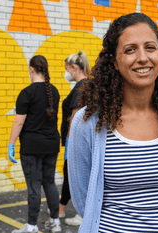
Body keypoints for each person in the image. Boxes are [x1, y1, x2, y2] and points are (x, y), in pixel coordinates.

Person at [67, 13, 158, 233]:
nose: (142, 57)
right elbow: (84, 200)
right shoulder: (89, 122)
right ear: (114, 60)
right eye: (130, 49)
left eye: (150, 47)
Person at [8, 55, 61, 233]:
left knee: (34, 186)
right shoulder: (54, 91)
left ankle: (31, 227)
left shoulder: (27, 93)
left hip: (31, 147)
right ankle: (55, 222)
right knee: (49, 182)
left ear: (31, 70)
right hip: (51, 144)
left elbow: (18, 122)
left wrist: (11, 144)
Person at [58, 51, 89, 226]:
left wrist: (70, 144)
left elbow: (75, 117)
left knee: (75, 177)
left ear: (74, 68)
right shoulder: (88, 85)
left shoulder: (80, 87)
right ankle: (75, 211)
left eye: (67, 69)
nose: (66, 73)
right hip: (84, 141)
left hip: (76, 142)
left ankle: (83, 215)